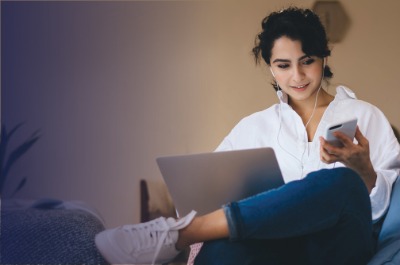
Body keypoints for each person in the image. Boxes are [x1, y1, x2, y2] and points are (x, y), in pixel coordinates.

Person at [95, 7, 400, 265]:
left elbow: (386, 217)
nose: (297, 76)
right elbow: (199, 196)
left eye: (307, 61)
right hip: (277, 251)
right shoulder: (253, 128)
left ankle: (180, 233)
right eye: (283, 65)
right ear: (271, 69)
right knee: (221, 249)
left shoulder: (364, 115)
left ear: (323, 58)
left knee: (342, 183)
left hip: (340, 248)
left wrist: (366, 173)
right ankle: (187, 230)